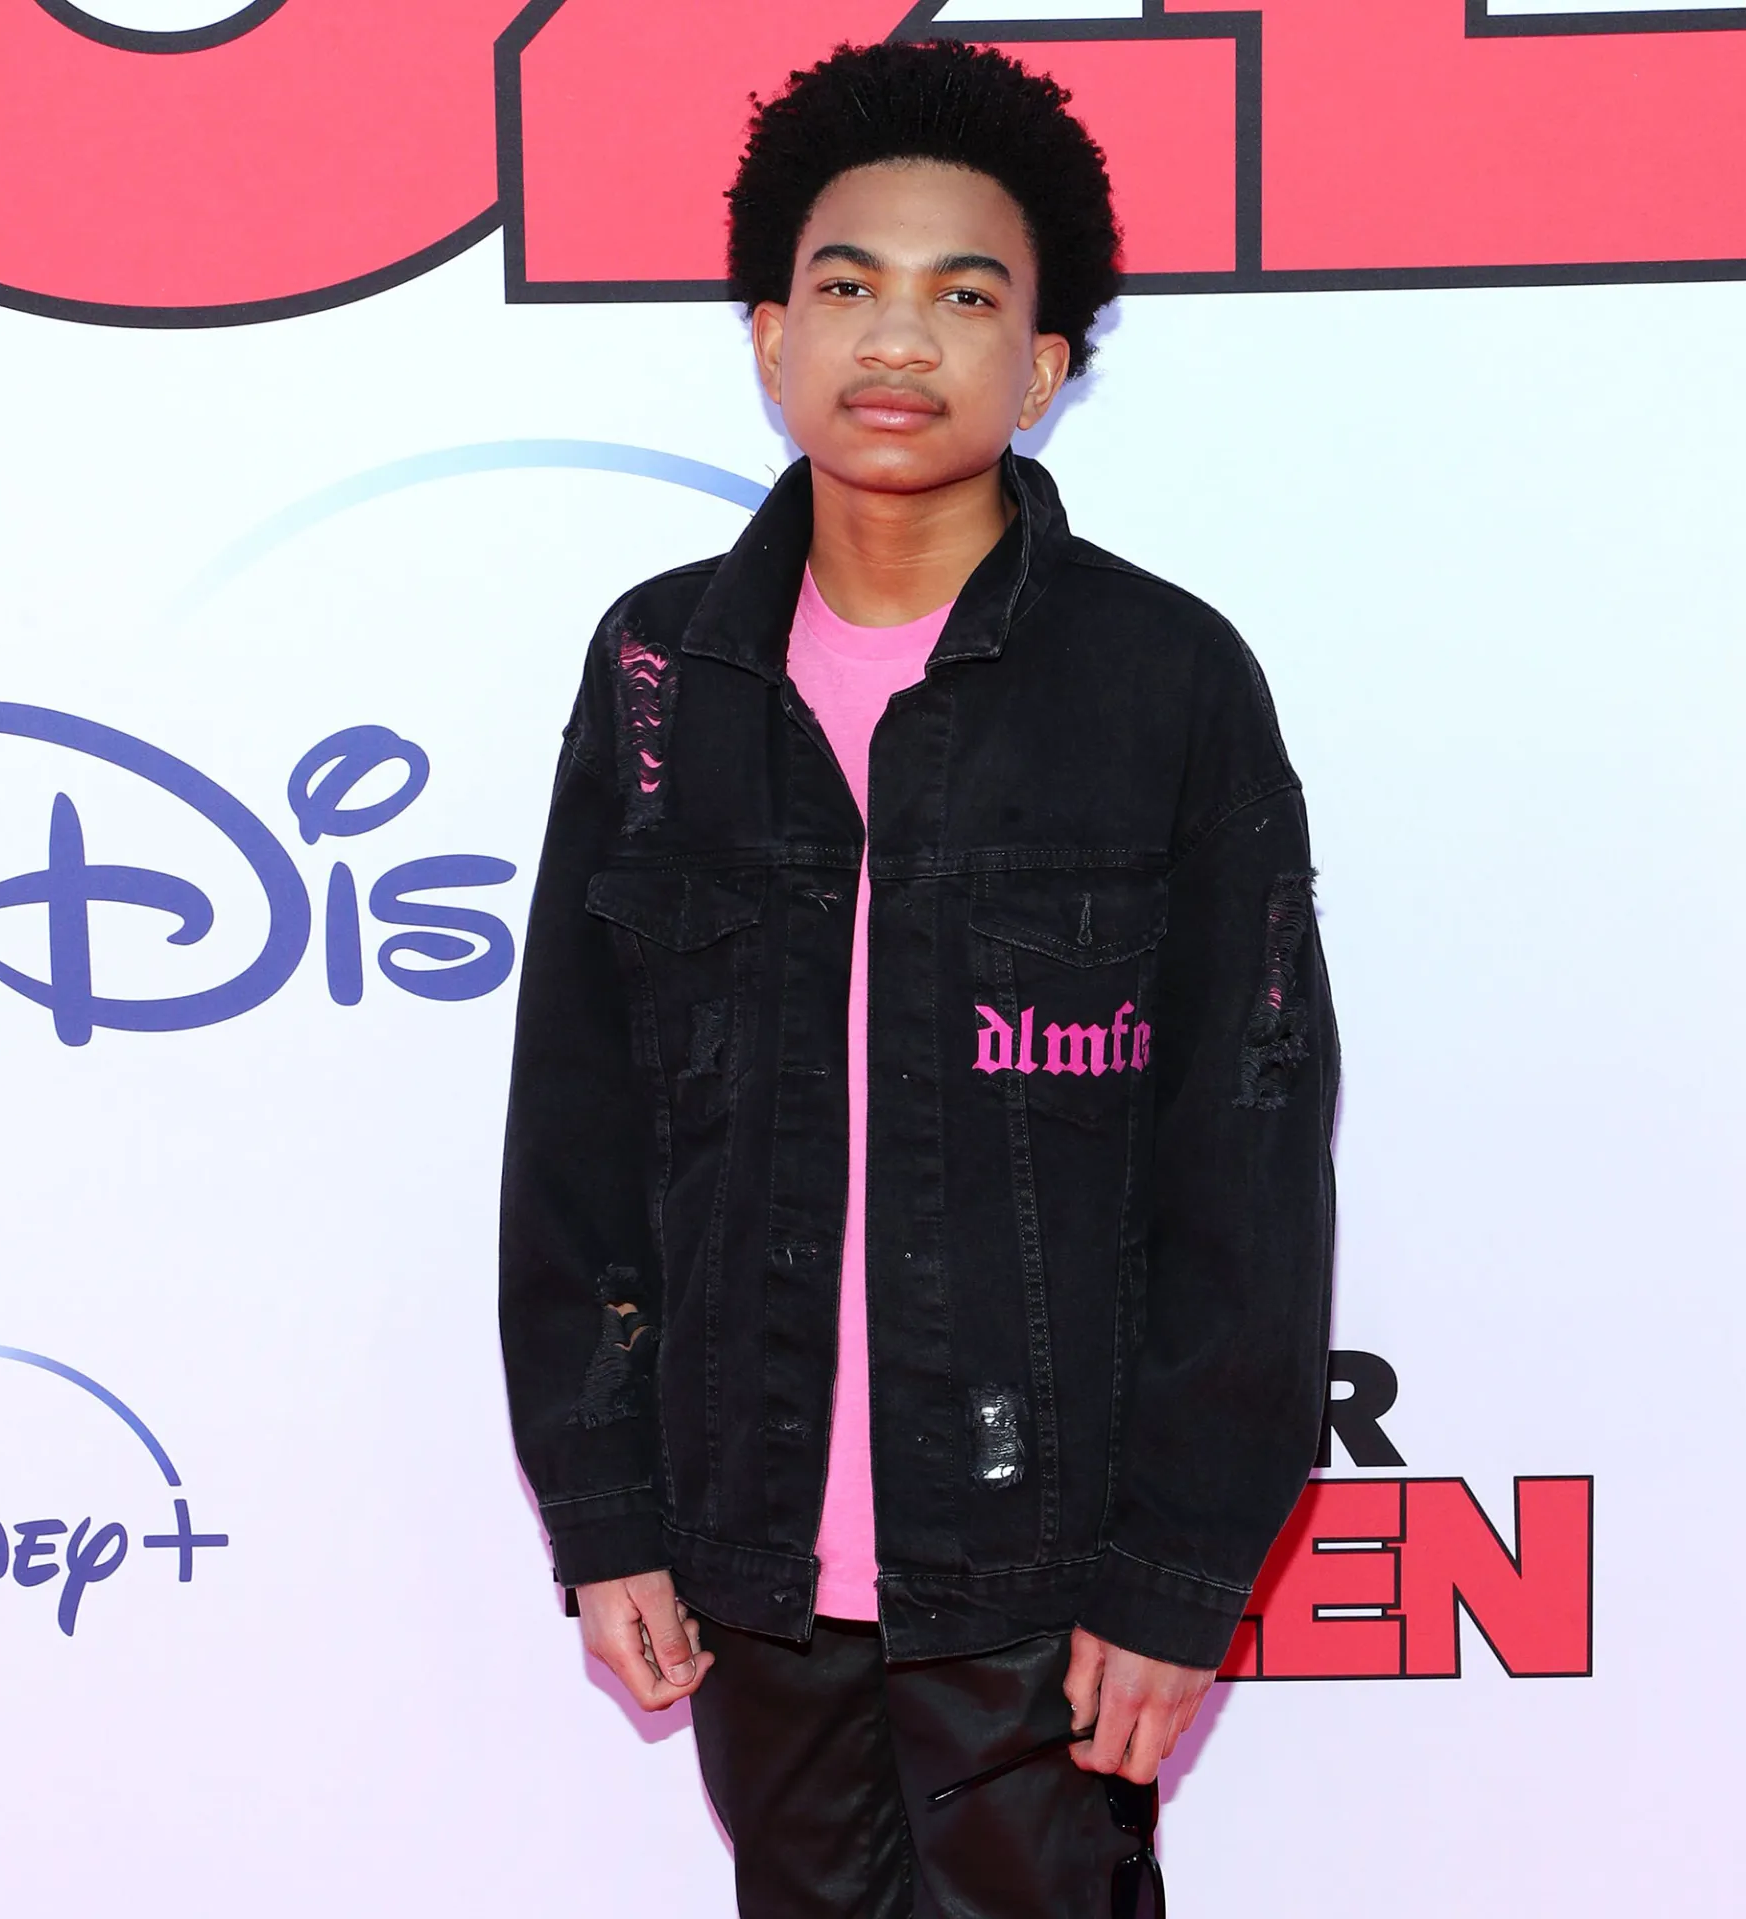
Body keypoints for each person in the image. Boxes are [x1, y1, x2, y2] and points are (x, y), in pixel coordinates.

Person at [499, 38, 1338, 1918]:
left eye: (965, 297)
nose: (898, 338)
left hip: (1045, 1558)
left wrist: (1178, 1570)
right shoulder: (659, 671)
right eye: (846, 286)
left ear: (1042, 367)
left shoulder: (1165, 680)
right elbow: (578, 1125)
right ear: (768, 337)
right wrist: (606, 1509)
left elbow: (1249, 1150)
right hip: (748, 1551)